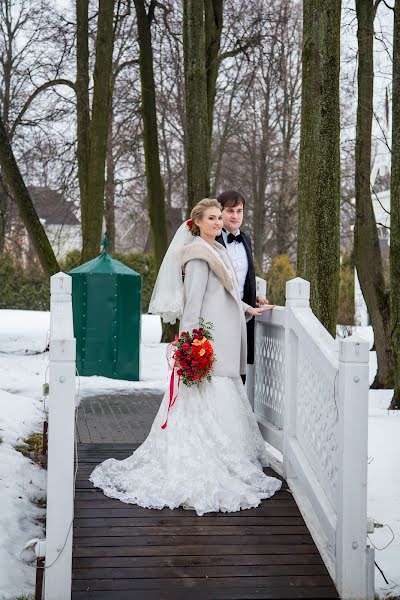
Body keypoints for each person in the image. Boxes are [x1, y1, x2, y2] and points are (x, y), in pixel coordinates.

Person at [90, 198, 281, 515]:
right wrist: (191, 344)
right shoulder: (196, 257)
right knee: (202, 403)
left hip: (223, 338)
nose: (219, 223)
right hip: (207, 342)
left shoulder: (217, 251)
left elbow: (225, 296)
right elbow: (193, 305)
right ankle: (203, 464)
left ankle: (225, 456)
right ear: (197, 222)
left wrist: (249, 308)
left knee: (220, 402)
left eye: (220, 218)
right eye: (212, 218)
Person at [216, 190, 270, 382]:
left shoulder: (246, 239)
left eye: (239, 211)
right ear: (220, 212)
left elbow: (245, 276)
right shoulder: (212, 240)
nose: (235, 216)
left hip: (243, 316)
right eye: (230, 210)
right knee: (219, 370)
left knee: (240, 371)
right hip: (219, 313)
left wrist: (252, 295)